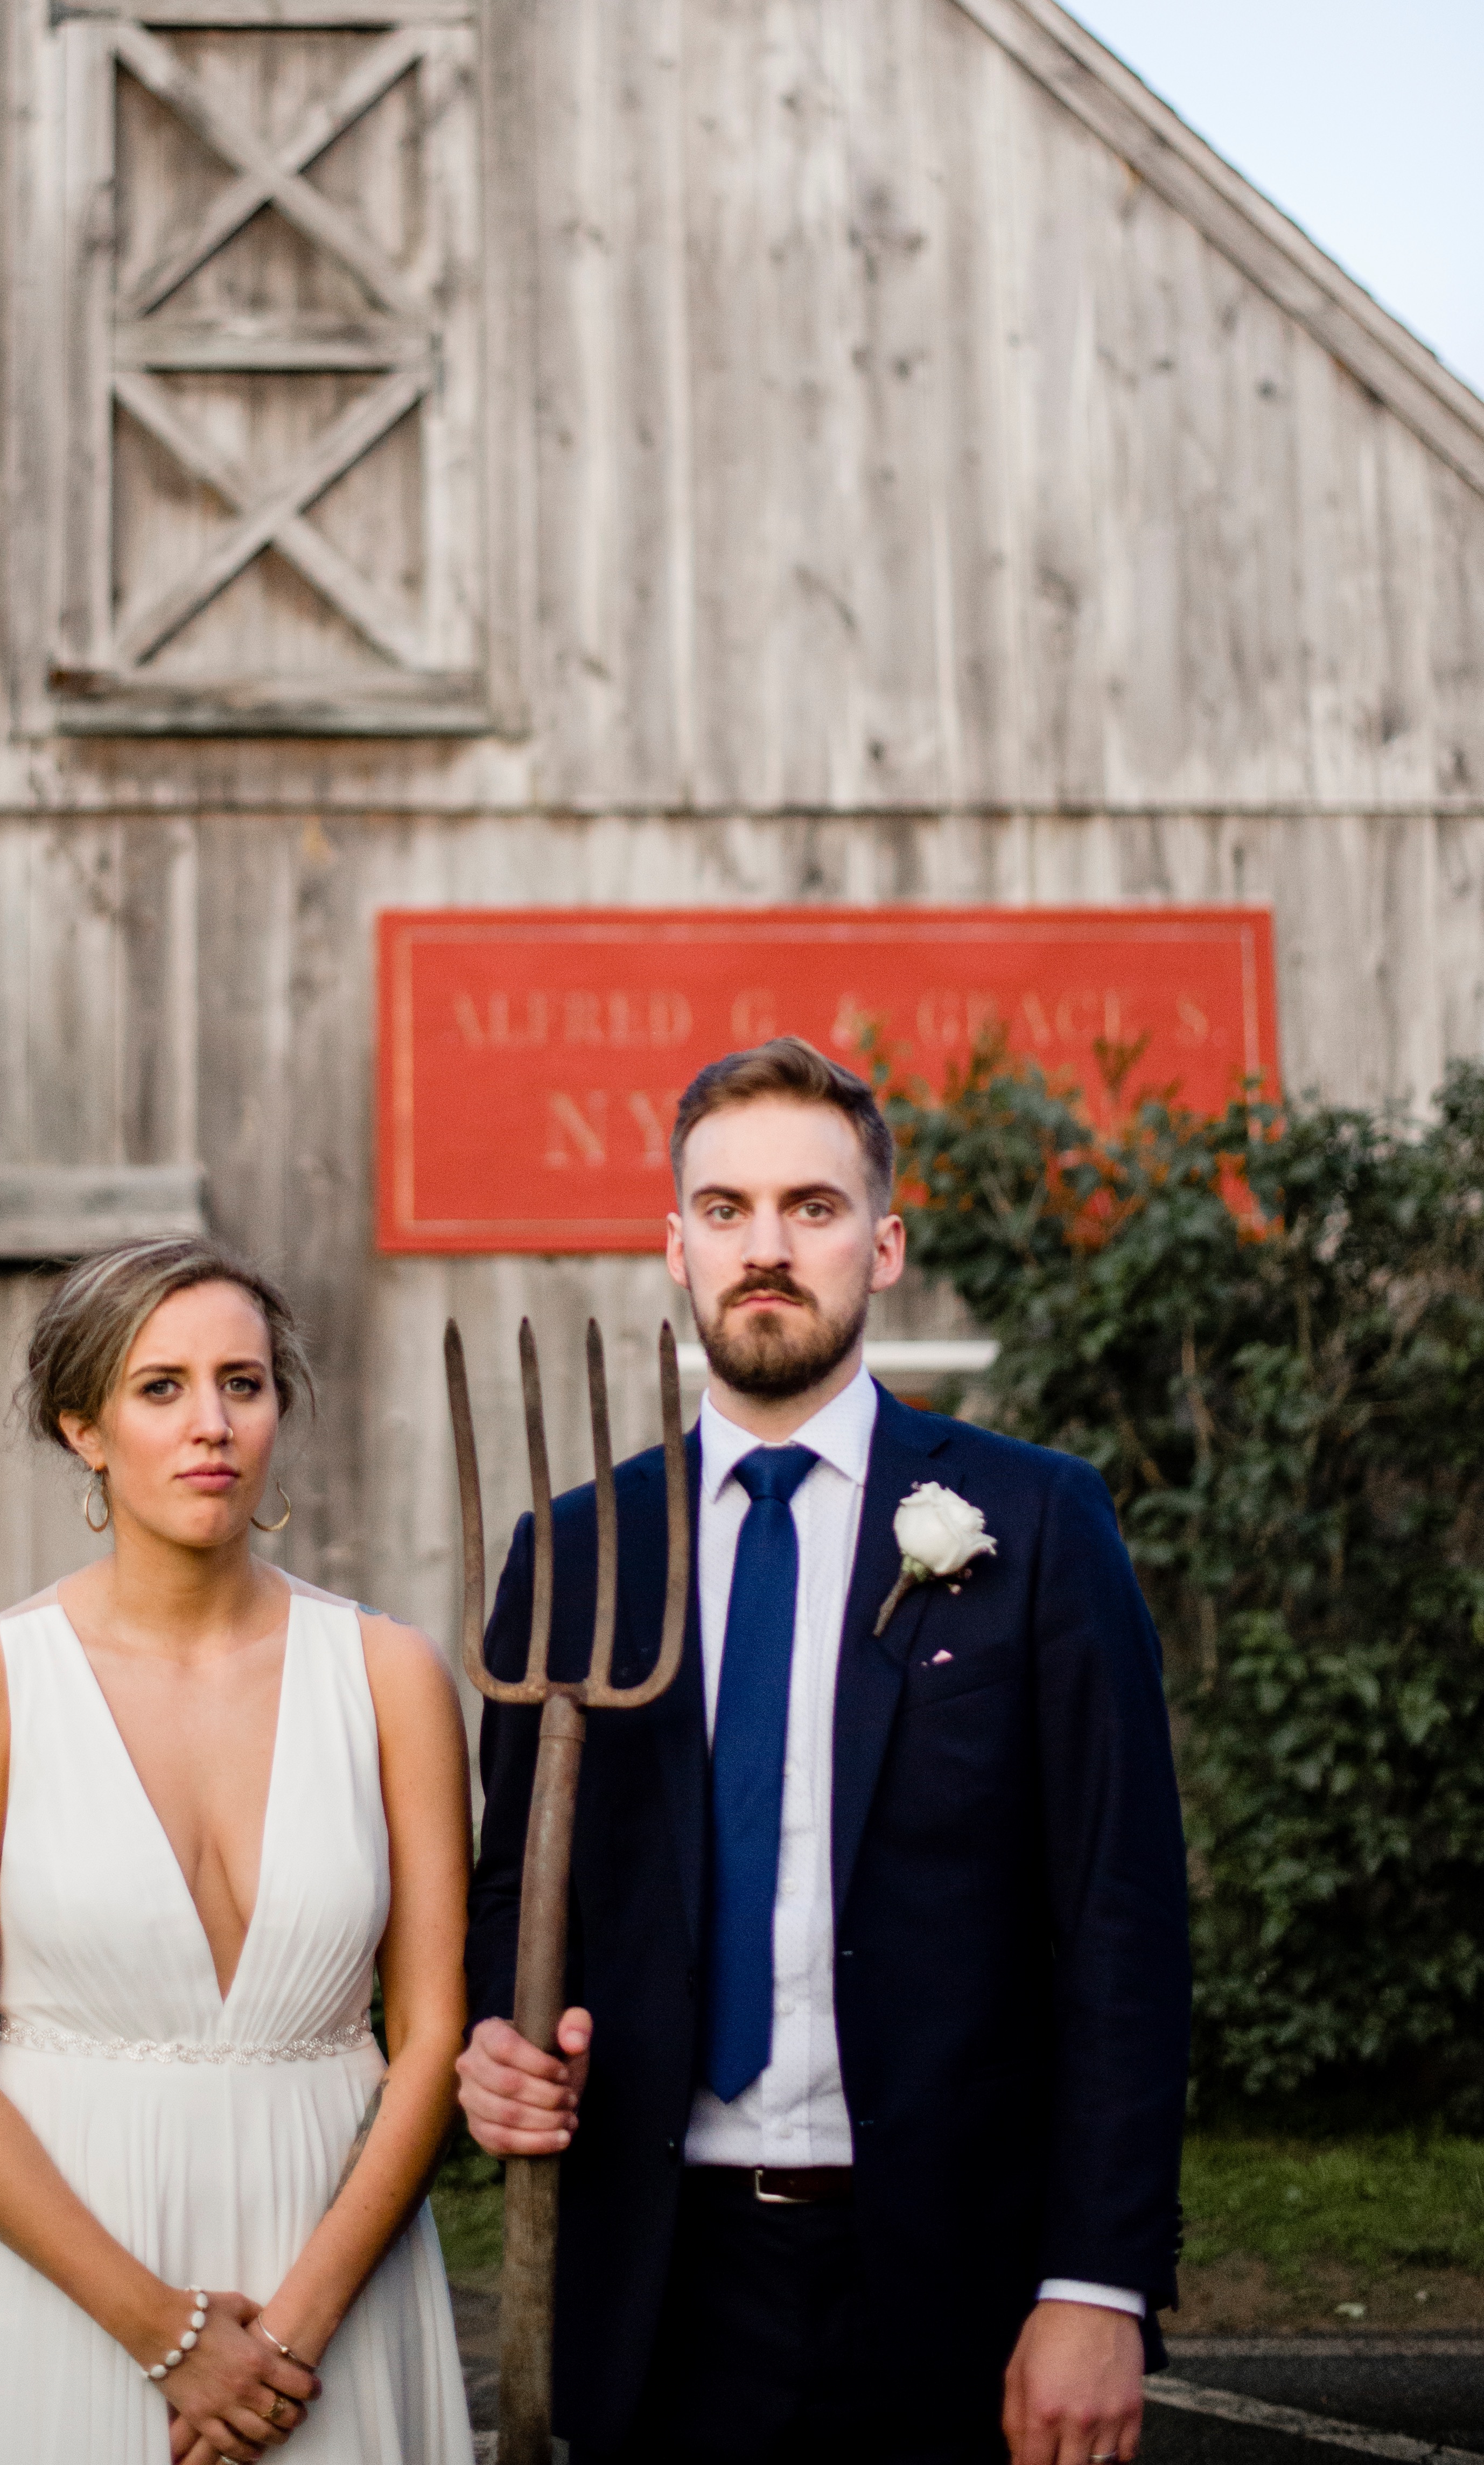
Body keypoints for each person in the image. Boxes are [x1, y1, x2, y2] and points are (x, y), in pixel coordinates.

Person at [459, 1038, 1191, 2465]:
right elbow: (513, 1893)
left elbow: (1120, 1921)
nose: (766, 1250)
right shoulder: (575, 1553)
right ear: (674, 1247)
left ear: (886, 1242)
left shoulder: (1034, 1526)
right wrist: (499, 2034)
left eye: (812, 1206)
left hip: (949, 2270)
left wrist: (1094, 2282)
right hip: (657, 2279)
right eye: (724, 1211)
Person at [0, 1237, 475, 2465]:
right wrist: (167, 2332)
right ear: (82, 1426)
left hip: (333, 2282)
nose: (213, 1423)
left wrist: (290, 2336)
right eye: (163, 1387)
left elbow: (431, 2041)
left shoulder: (391, 1675)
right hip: (61, 2285)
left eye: (243, 1384)